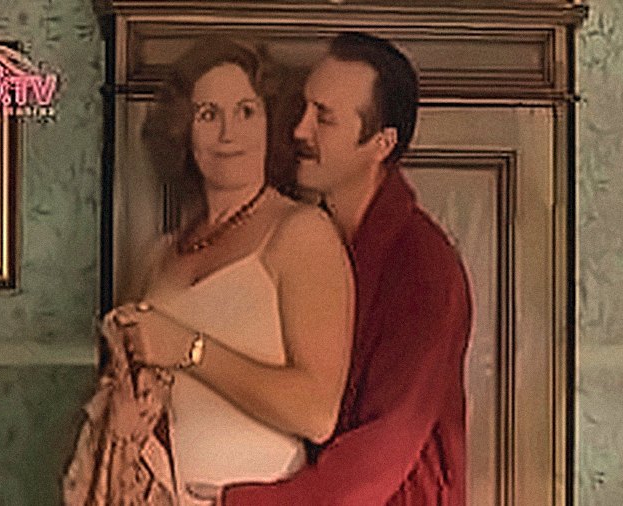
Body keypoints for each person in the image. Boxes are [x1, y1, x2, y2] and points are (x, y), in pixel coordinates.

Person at [63, 37, 355, 505]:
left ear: (272, 123)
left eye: (246, 112)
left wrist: (189, 349)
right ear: (184, 130)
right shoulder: (158, 255)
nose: (227, 134)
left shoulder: (302, 233)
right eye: (207, 115)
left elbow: (317, 413)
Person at [216, 32, 473, 505]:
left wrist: (238, 503)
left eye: (324, 117)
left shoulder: (425, 268)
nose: (299, 130)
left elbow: (382, 449)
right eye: (304, 109)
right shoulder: (302, 240)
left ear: (381, 143)